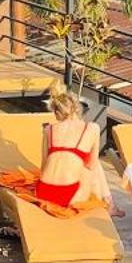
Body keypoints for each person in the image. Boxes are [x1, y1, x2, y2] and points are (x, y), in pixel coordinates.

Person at [36, 80, 110, 210]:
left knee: (79, 162)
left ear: (57, 113)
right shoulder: (92, 128)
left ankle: (110, 204)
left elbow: (44, 166)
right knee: (94, 165)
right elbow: (92, 165)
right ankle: (109, 204)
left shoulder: (48, 130)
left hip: (44, 193)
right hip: (70, 196)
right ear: (77, 107)